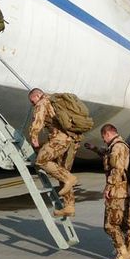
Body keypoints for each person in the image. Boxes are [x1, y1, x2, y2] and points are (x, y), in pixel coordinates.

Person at [28, 88, 79, 217]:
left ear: (38, 95)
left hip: (60, 139)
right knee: (61, 171)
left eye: (32, 101)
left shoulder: (42, 102)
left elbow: (38, 121)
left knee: (41, 160)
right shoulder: (56, 100)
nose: (32, 104)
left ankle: (69, 179)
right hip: (72, 139)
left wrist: (34, 136)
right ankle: (69, 206)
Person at [100, 124, 130, 259]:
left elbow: (116, 169)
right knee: (127, 224)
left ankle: (122, 253)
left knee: (110, 224)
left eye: (104, 137)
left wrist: (108, 187)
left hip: (118, 192)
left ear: (108, 134)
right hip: (127, 190)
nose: (104, 140)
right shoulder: (121, 145)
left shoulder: (116, 147)